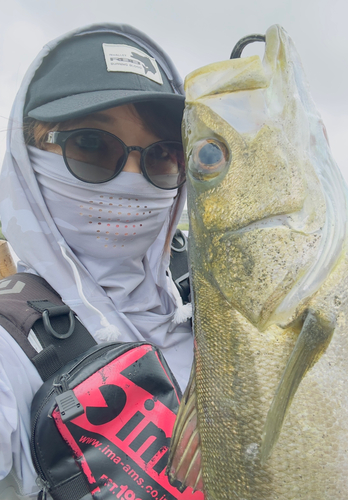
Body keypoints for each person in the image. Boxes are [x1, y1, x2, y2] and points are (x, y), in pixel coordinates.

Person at [0, 23, 194, 499]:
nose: (132, 180)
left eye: (163, 154)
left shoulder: (213, 299)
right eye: (91, 144)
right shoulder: (11, 348)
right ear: (26, 158)